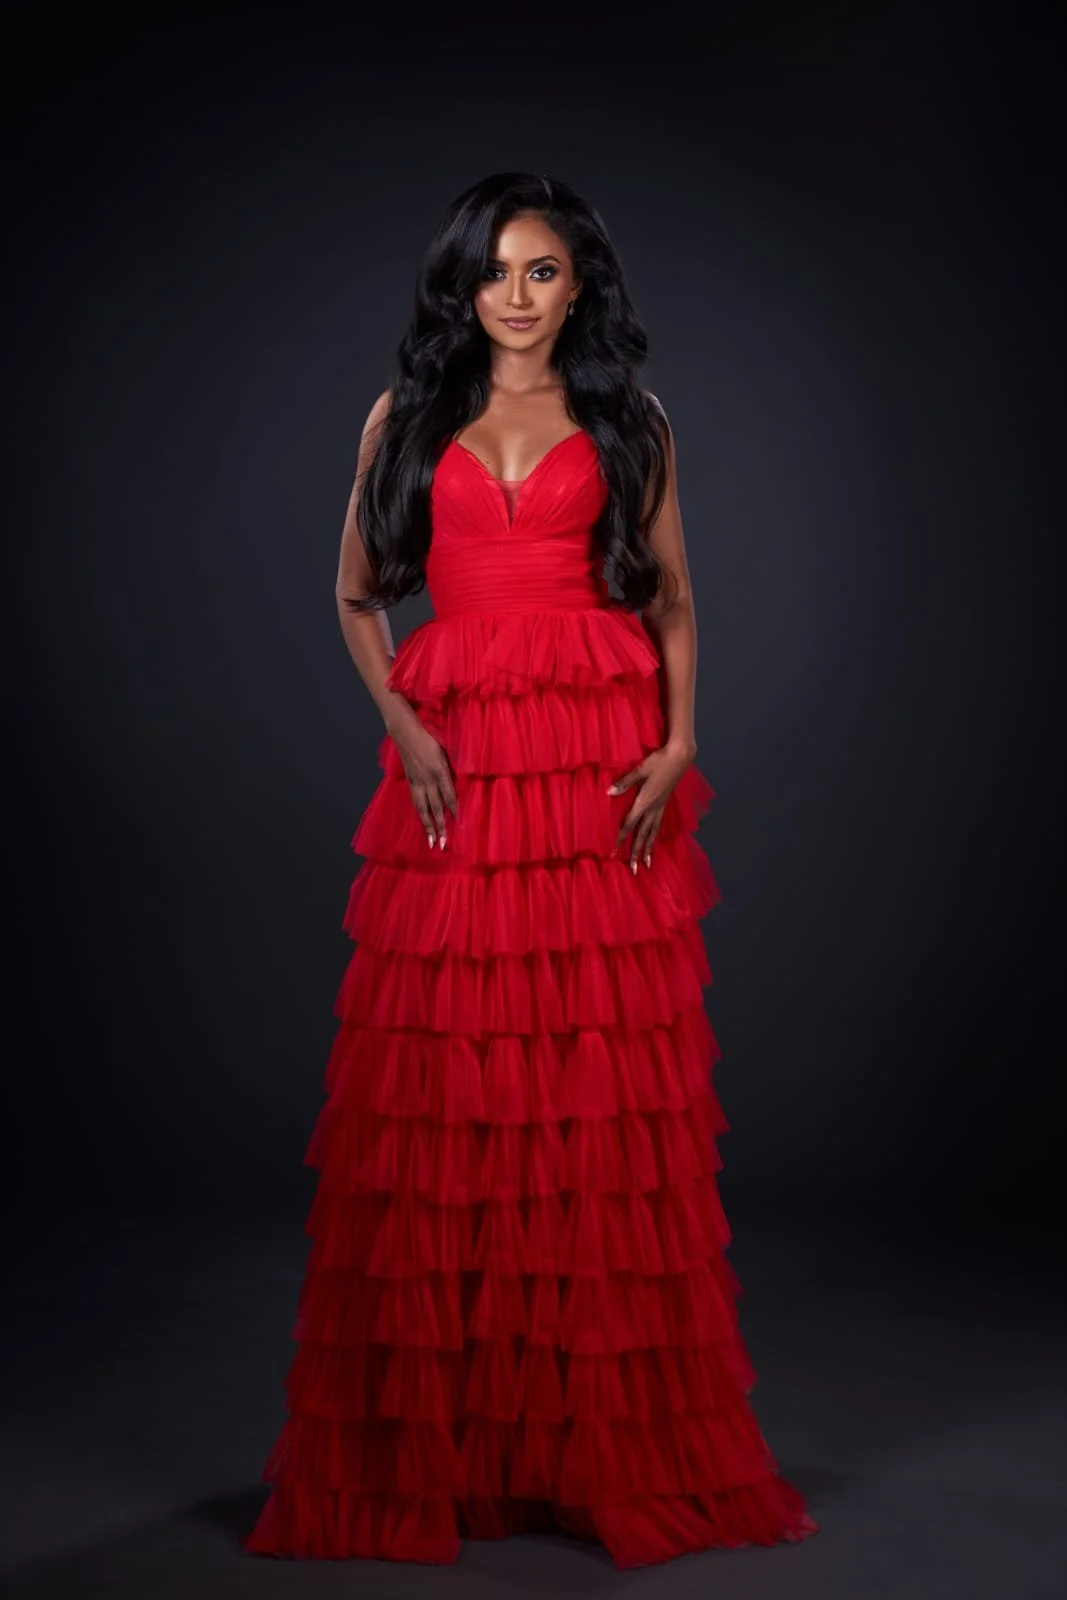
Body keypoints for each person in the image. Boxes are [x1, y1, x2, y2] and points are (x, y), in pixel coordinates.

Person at [244, 170, 819, 1569]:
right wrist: (400, 721)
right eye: (495, 269)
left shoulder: (630, 421)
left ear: (579, 288)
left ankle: (593, 1447)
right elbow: (353, 593)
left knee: (590, 1098)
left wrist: (681, 744)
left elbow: (672, 599)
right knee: (446, 1097)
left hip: (593, 772)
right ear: (463, 283)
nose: (515, 294)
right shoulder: (407, 418)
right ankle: (455, 1451)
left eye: (543, 271)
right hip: (454, 771)